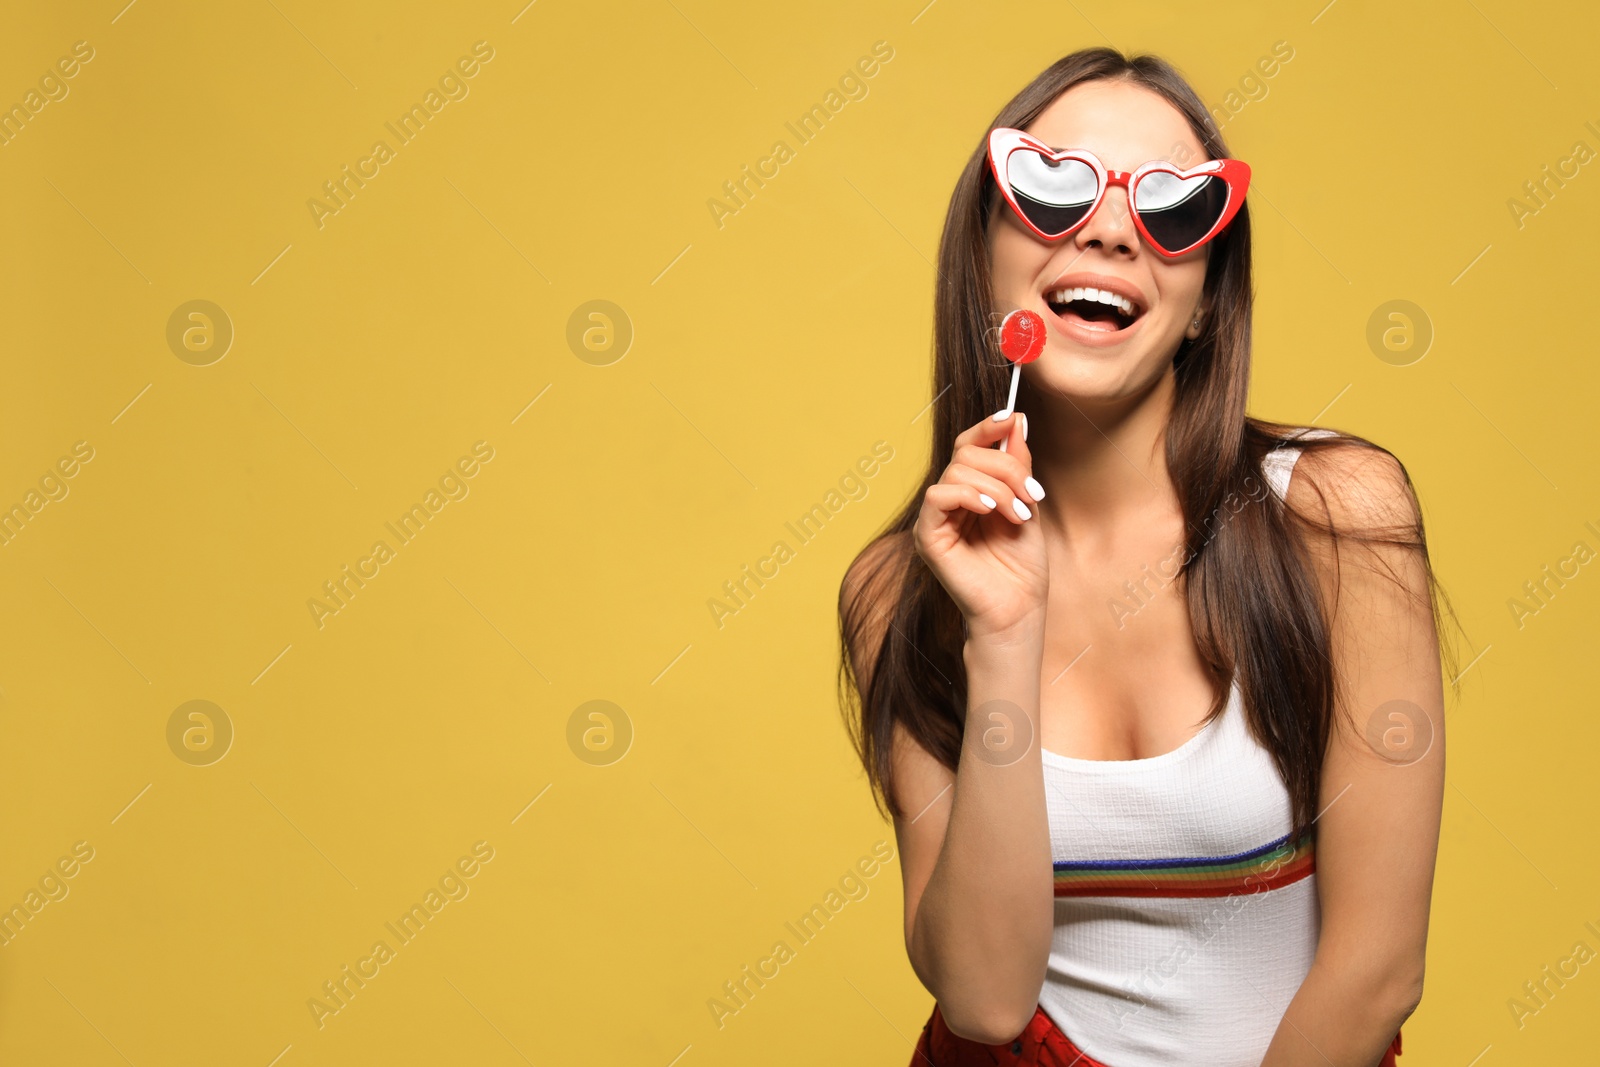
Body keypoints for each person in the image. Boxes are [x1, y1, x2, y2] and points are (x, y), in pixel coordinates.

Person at [836, 47, 1459, 1067]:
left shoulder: (1336, 517)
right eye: (1052, 187)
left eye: (1174, 211)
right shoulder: (901, 591)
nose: (1113, 227)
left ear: (1207, 299)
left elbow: (1379, 969)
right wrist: (1000, 634)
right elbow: (985, 998)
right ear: (984, 259)